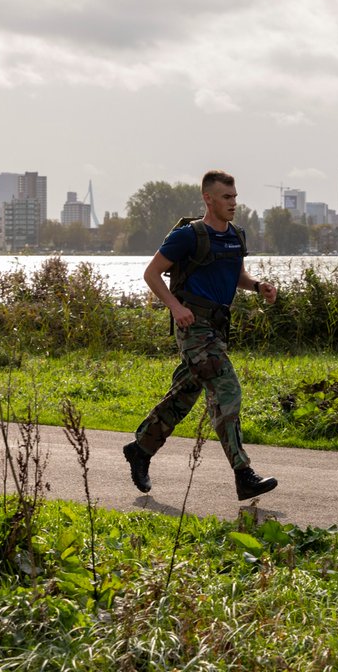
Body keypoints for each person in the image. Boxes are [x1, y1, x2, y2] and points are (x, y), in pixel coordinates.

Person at [123, 170, 279, 500]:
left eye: (235, 197)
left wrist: (257, 286)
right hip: (192, 327)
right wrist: (175, 308)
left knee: (184, 394)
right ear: (208, 198)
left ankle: (140, 449)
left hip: (217, 328)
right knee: (227, 387)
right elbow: (151, 274)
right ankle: (243, 473)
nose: (233, 203)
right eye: (226, 197)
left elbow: (236, 274)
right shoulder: (188, 236)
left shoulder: (236, 235)